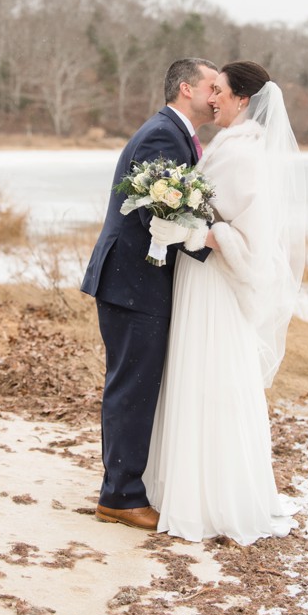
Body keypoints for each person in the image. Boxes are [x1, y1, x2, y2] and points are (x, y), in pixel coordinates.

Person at [143, 61, 306, 544]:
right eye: (211, 89)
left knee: (210, 378)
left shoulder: (244, 152)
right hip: (201, 280)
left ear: (242, 100)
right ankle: (188, 486)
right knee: (197, 377)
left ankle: (211, 498)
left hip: (215, 285)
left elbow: (246, 240)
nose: (212, 98)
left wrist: (194, 232)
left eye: (221, 91)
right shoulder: (231, 145)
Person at [80, 58, 218, 531]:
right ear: (186, 88)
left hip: (134, 281)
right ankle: (119, 496)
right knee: (132, 388)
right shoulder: (163, 134)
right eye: (211, 87)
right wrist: (220, 248)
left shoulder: (175, 133)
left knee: (132, 385)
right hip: (132, 283)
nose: (216, 97)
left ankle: (121, 487)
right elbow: (155, 216)